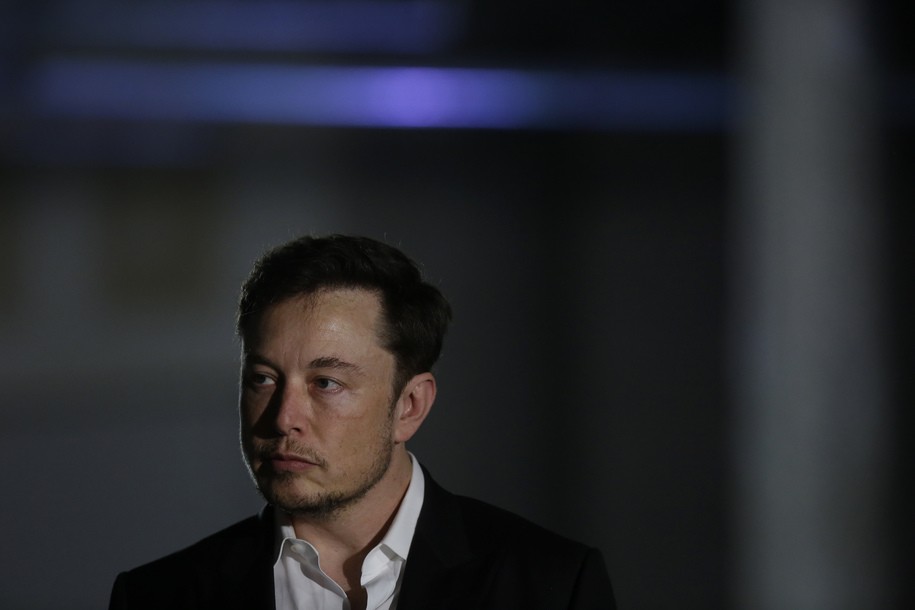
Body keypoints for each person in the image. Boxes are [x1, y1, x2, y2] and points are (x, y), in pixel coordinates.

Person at [108, 234, 616, 610]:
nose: (285, 417)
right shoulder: (159, 597)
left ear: (410, 406)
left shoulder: (550, 586)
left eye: (326, 383)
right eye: (263, 379)